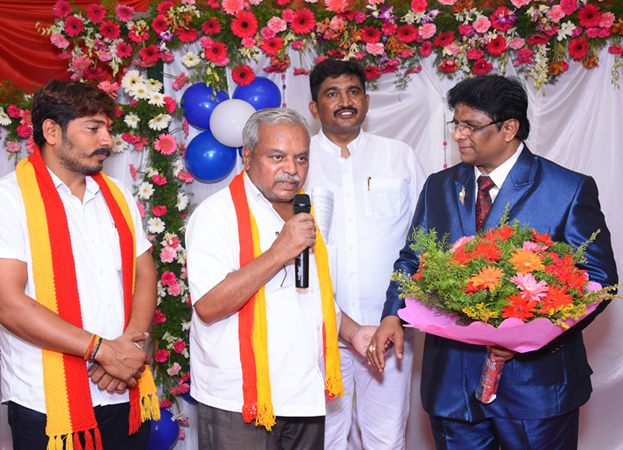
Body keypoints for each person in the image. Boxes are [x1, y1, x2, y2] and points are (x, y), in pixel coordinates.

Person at [368, 75, 618, 450]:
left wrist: (535, 339)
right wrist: (392, 314)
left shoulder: (567, 189)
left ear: (509, 128)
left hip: (537, 387)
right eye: (457, 124)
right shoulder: (439, 186)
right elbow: (412, 259)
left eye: (471, 125)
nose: (459, 135)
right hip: (453, 384)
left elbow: (597, 279)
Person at [0, 79, 158, 449]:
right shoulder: (3, 200)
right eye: (93, 128)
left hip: (123, 390)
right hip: (46, 404)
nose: (107, 140)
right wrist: (105, 352)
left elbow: (144, 270)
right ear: (52, 131)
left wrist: (130, 351)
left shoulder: (116, 193)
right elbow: (6, 303)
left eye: (107, 128)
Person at [185, 107, 375, 450]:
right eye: (277, 157)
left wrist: (354, 333)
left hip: (304, 391)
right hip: (239, 398)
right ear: (247, 156)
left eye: (301, 158)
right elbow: (209, 307)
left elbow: (314, 296)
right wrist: (277, 253)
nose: (291, 169)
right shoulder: (216, 216)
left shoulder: (306, 211)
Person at [303, 59, 425, 449]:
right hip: (316, 330)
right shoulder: (298, 162)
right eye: (332, 93)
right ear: (314, 107)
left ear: (367, 101)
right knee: (324, 439)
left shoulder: (399, 156)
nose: (345, 101)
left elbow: (422, 239)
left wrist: (402, 312)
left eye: (353, 91)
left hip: (386, 327)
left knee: (387, 439)